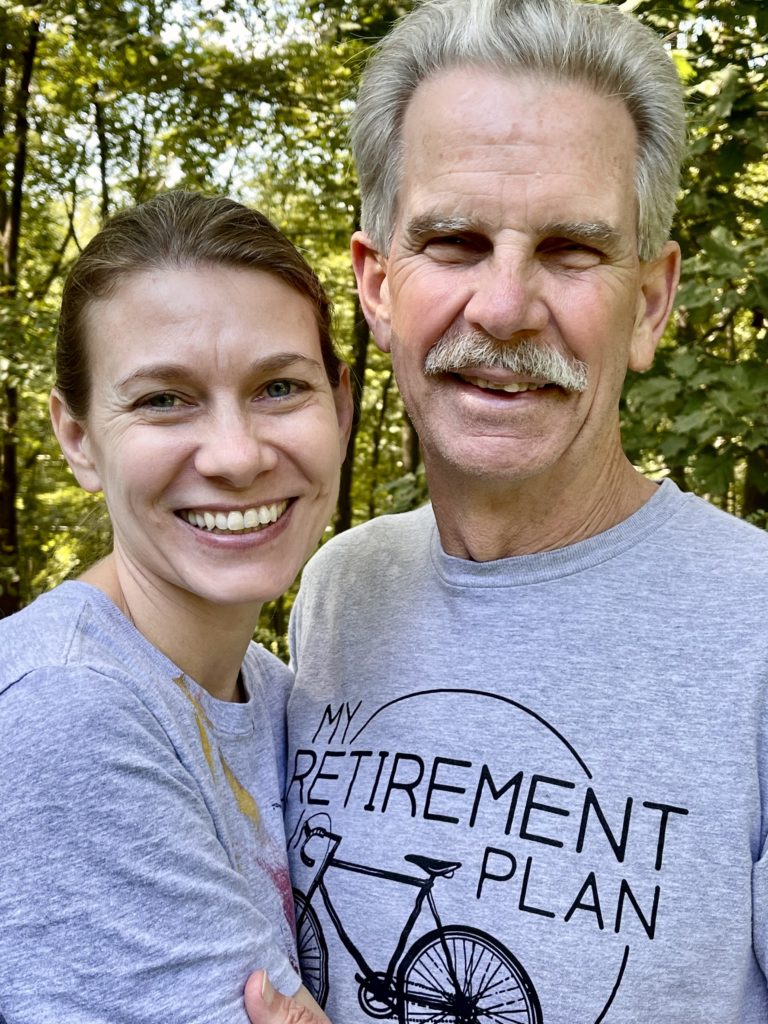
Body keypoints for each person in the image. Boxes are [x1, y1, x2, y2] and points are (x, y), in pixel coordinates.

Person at [246, 1, 768, 1022]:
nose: (504, 306)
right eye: (455, 240)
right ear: (378, 285)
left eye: (572, 248)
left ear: (653, 302)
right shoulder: (342, 587)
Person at [0, 190, 351, 1023]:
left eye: (278, 387)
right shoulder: (67, 706)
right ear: (78, 437)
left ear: (339, 406)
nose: (236, 456)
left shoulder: (271, 691)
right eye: (164, 399)